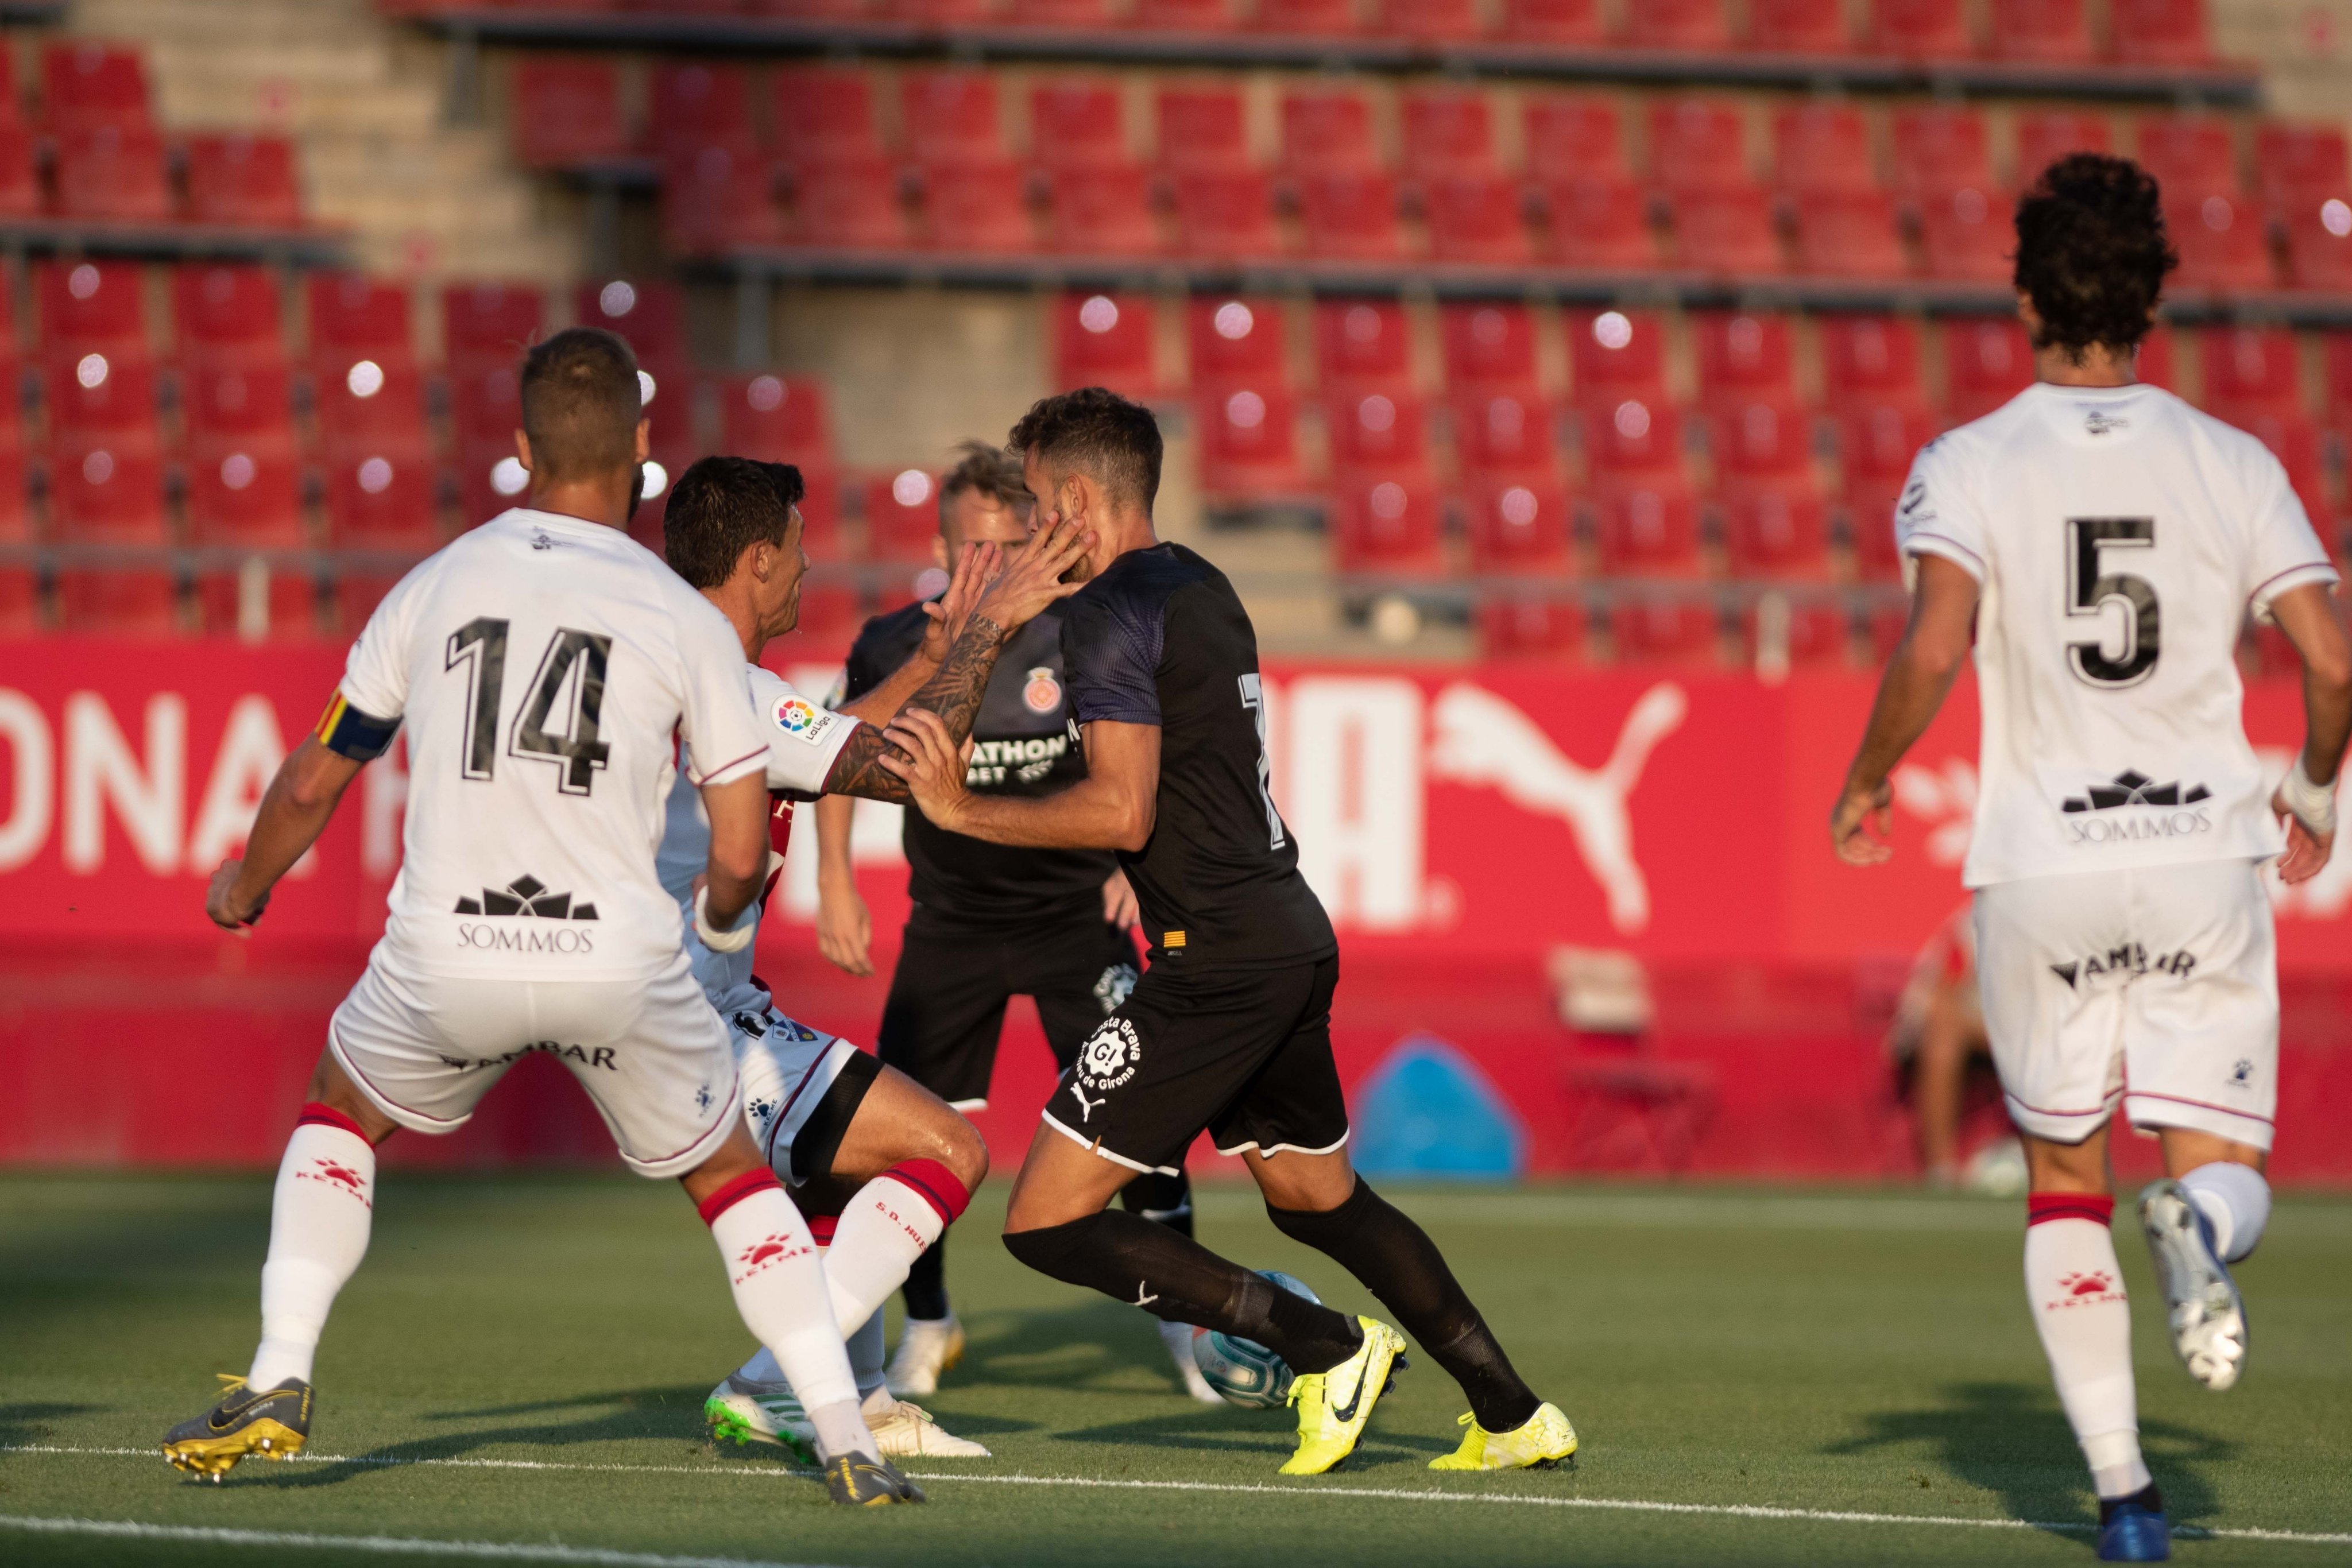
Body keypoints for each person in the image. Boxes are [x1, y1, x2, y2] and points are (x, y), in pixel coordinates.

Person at [162, 330, 920, 1506]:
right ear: (641, 453)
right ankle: (843, 1436)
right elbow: (733, 845)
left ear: (520, 451)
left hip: (445, 949)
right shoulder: (676, 614)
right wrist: (721, 929)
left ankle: (280, 1370)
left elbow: (318, 774)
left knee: (343, 1109)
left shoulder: (438, 582)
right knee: (727, 1180)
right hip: (617, 959)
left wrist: (245, 886)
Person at [880, 388, 1577, 1477]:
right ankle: (1511, 1410)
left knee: (1045, 1221)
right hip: (1285, 934)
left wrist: (962, 807)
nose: (1020, 531)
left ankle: (1327, 1347)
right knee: (1318, 1198)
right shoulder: (1199, 583)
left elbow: (1123, 811)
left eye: (1031, 501)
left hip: (1215, 961)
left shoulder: (1111, 610)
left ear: (1072, 499)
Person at [1829, 155, 2350, 1563]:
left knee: (2064, 1178)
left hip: (2043, 861)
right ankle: (2194, 1220)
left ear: (2022, 298)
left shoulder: (1969, 463)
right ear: (2154, 297)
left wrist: (1869, 777)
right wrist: (2308, 787)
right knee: (2221, 1161)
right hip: (2199, 852)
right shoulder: (2233, 463)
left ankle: (2124, 1500)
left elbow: (1937, 643)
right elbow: (2335, 660)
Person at [649, 455, 1088, 1458]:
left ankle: (866, 1397)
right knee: (950, 1151)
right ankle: (778, 1384)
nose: (810, 570)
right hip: (688, 1017)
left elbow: (841, 736)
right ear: (759, 562)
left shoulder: (693, 672)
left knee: (847, 1180)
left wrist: (937, 649)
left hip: (688, 1002)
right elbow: (890, 770)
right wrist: (987, 632)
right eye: (799, 550)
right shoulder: (724, 691)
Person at [816, 442, 1213, 1403]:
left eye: (1003, 547)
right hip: (947, 924)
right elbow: (828, 748)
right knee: (905, 1140)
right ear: (945, 541)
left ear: (1034, 540)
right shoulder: (894, 641)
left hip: (1074, 917)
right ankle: (930, 1322)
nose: (983, 566)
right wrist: (834, 878)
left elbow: (1163, 756)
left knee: (1143, 1129)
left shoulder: (1088, 633)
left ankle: (1187, 1328)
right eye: (968, 547)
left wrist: (1143, 866)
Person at [1886, 905, 2004, 1189]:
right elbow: (1943, 999)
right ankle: (1941, 1172)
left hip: (2012, 1032)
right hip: (1947, 1023)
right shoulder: (1975, 925)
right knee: (1945, 1033)